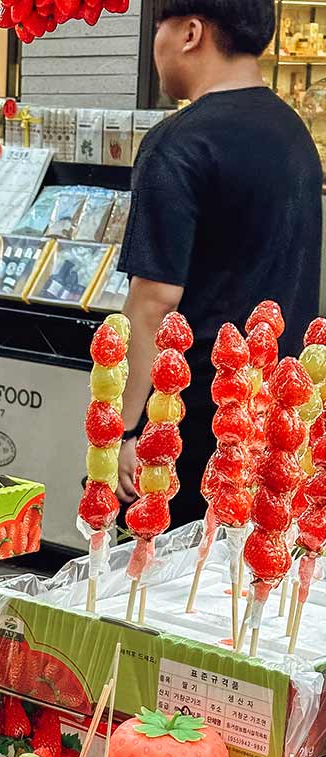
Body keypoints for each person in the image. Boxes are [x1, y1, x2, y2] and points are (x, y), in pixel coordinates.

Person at [117, 0, 323, 527]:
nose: (155, 45)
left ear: (190, 32)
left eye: (157, 27)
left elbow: (152, 303)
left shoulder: (179, 142)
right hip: (277, 419)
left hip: (189, 425)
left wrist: (126, 429)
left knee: (154, 591)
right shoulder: (296, 137)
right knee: (242, 590)